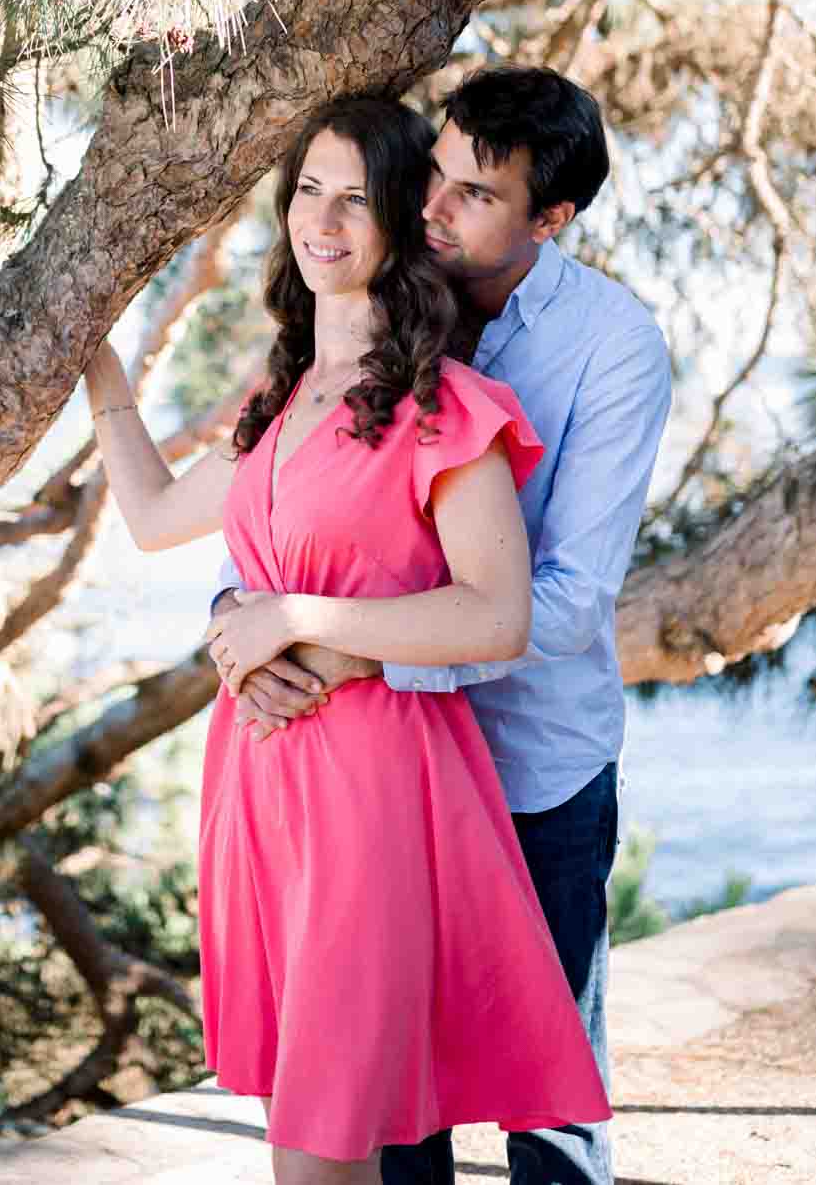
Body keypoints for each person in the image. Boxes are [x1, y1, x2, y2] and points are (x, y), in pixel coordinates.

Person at [84, 93, 609, 1185]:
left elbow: (496, 612)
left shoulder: (444, 404)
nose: (322, 220)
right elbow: (150, 517)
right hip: (260, 792)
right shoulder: (279, 396)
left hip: (372, 796)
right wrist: (93, 369)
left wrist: (301, 621)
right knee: (316, 1144)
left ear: (401, 220)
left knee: (318, 1156)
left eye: (356, 198)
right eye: (307, 190)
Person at [210, 66, 672, 1185]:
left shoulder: (611, 347)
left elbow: (555, 603)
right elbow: (280, 512)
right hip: (384, 785)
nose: (432, 208)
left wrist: (332, 647)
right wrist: (236, 619)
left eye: (472, 193)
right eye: (433, 176)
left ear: (548, 218)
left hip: (530, 768)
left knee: (542, 1111)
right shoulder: (375, 305)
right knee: (396, 1108)